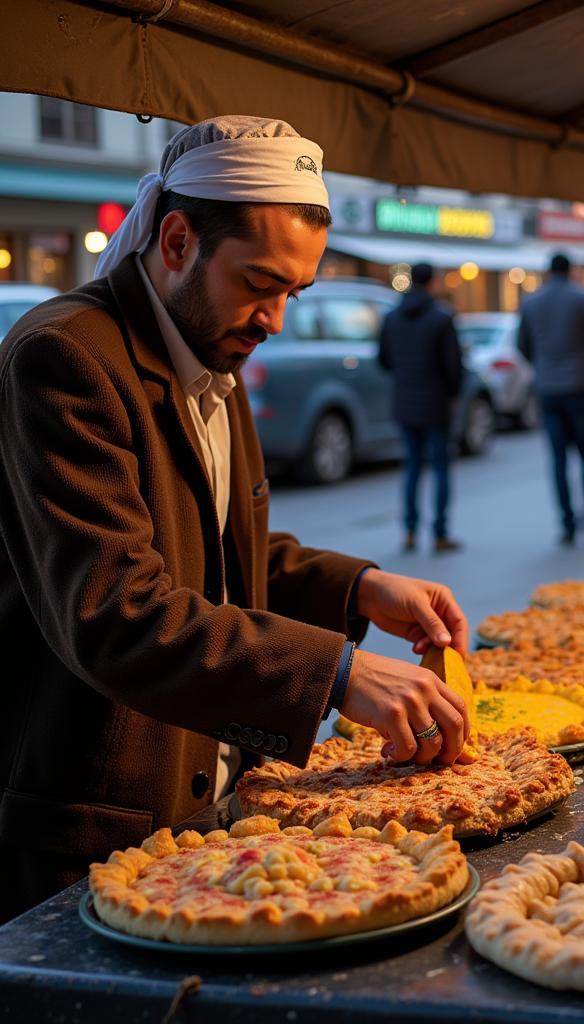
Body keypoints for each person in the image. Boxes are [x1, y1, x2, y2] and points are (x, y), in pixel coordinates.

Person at [0, 116, 470, 922]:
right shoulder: (66, 358)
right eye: (259, 284)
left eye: (295, 292)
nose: (276, 318)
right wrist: (337, 674)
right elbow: (117, 609)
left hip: (212, 808)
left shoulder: (208, 345)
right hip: (96, 826)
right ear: (176, 241)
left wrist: (361, 588)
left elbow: (219, 554)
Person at [379, 263, 464, 553]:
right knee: (440, 468)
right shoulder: (442, 318)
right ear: (434, 282)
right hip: (436, 402)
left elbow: (384, 360)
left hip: (404, 401)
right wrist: (453, 394)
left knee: (412, 467)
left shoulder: (392, 317)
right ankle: (440, 532)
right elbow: (454, 366)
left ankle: (410, 531)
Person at [518, 253, 584, 544]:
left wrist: (543, 365)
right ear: (570, 270)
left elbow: (523, 345)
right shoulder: (583, 299)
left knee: (558, 459)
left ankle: (567, 523)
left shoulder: (532, 302)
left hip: (548, 387)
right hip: (579, 384)